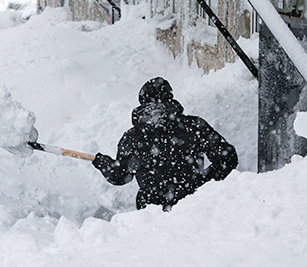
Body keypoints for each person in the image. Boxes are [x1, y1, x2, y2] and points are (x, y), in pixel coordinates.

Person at [92, 77, 238, 211]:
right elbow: (227, 158)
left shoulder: (133, 137)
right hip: (193, 206)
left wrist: (103, 163)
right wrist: (204, 183)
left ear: (142, 102)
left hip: (151, 214)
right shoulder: (194, 126)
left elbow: (120, 176)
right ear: (170, 96)